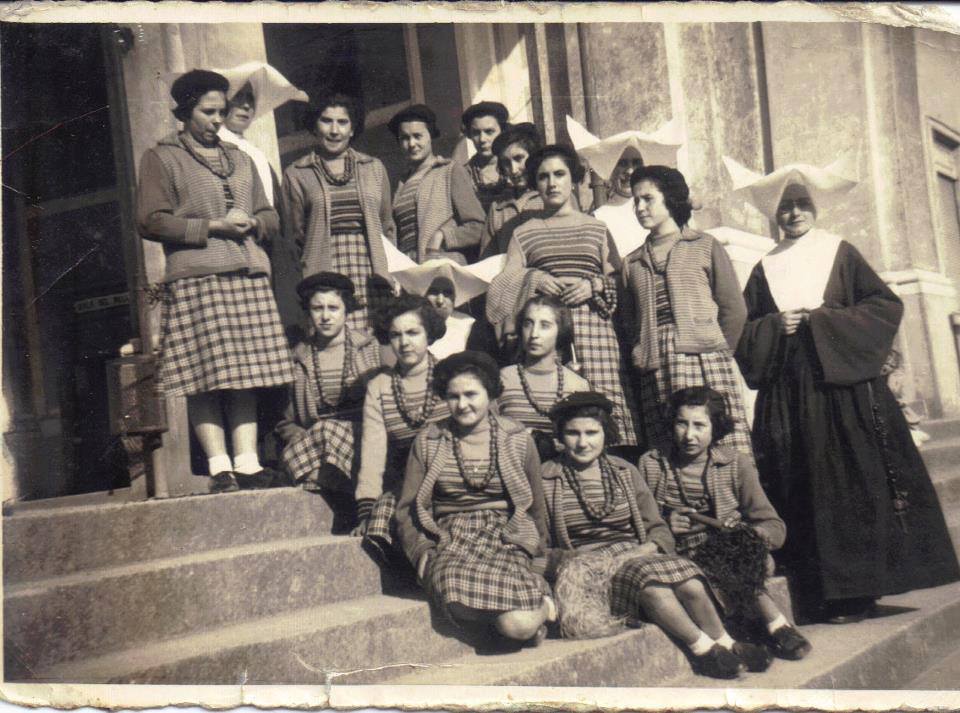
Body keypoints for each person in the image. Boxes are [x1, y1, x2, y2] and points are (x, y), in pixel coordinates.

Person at [732, 165, 960, 623]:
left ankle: (859, 590)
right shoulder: (764, 266)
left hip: (844, 392)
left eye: (802, 204)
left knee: (851, 483)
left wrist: (821, 320)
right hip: (790, 395)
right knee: (801, 484)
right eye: (785, 206)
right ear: (774, 213)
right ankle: (817, 591)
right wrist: (777, 325)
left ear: (815, 207)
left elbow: (883, 306)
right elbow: (746, 331)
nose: (794, 213)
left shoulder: (839, 251)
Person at [136, 69, 293, 493]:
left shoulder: (240, 158)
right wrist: (213, 226)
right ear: (186, 112)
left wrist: (254, 223)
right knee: (203, 377)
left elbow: (270, 214)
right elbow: (151, 220)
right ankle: (219, 466)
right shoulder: (162, 158)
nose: (217, 120)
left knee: (247, 372)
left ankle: (247, 463)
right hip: (198, 277)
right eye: (208, 112)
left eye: (222, 111)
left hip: (247, 274)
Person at [539, 392, 770, 679]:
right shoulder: (546, 478)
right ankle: (703, 650)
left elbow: (658, 529)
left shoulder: (624, 471)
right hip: (591, 571)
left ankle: (726, 643)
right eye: (573, 433)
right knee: (653, 588)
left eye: (592, 433)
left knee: (690, 582)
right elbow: (540, 547)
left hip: (636, 555)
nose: (583, 442)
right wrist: (578, 562)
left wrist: (645, 548)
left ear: (606, 433)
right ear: (560, 436)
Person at [395, 351, 557, 646]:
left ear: (490, 393)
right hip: (449, 538)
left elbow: (535, 507)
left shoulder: (517, 438)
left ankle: (539, 611)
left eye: (471, 394)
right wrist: (422, 551)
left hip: (506, 536)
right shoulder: (429, 440)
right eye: (453, 396)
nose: (462, 404)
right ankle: (517, 623)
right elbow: (407, 508)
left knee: (517, 625)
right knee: (453, 597)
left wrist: (538, 556)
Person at [487, 144, 640, 450]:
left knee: (605, 407)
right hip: (548, 333)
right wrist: (535, 278)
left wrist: (594, 285)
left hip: (596, 332)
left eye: (559, 174)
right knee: (556, 413)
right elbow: (501, 288)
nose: (552, 183)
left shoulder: (596, 228)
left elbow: (621, 281)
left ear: (574, 179)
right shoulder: (524, 232)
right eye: (543, 177)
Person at [640, 386, 811, 660]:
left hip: (738, 556)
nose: (689, 435)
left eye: (700, 425)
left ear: (715, 427)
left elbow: (774, 527)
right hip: (682, 559)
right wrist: (668, 525)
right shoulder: (652, 464)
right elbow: (644, 524)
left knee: (734, 556)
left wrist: (745, 534)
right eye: (682, 423)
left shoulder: (735, 463)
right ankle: (777, 627)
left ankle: (770, 628)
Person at [620, 165, 753, 459]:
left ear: (670, 198)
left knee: (719, 443)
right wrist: (641, 351)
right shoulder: (632, 262)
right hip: (656, 365)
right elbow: (629, 324)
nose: (640, 208)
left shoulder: (704, 245)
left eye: (648, 199)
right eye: (636, 201)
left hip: (705, 360)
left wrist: (718, 350)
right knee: (670, 446)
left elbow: (734, 309)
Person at [281, 93, 397, 332]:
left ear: (352, 128)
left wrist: (391, 272)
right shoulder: (297, 173)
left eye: (342, 122)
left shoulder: (373, 168)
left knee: (375, 337)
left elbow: (387, 226)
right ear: (315, 125)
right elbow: (294, 236)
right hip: (323, 267)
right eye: (326, 121)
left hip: (371, 268)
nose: (334, 130)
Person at [354, 294, 449, 546]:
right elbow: (373, 452)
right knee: (379, 526)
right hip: (407, 484)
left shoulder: (451, 376)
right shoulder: (379, 386)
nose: (404, 343)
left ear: (429, 334)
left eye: (413, 333)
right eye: (396, 335)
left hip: (453, 480)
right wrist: (367, 508)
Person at [277, 272, 381, 495]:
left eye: (333, 308)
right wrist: (300, 436)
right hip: (316, 445)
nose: (325, 316)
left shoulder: (370, 348)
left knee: (327, 430)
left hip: (362, 438)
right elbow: (286, 421)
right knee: (299, 447)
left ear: (346, 310)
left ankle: (332, 482)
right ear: (308, 311)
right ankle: (343, 485)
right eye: (317, 308)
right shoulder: (298, 358)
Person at [388, 104, 485, 264]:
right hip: (410, 270)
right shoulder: (400, 184)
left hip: (443, 266)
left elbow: (478, 227)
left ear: (430, 136)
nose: (411, 143)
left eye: (417, 136)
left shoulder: (449, 171)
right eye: (405, 138)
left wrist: (443, 236)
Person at [498, 295, 590, 458]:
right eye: (528, 324)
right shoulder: (502, 379)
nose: (534, 334)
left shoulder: (577, 385)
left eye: (545, 326)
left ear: (561, 331)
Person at [479, 122, 544, 259]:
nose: (513, 170)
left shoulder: (551, 197)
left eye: (519, 158)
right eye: (506, 163)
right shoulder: (498, 210)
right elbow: (487, 260)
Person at [461, 101, 511, 214]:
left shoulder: (515, 168)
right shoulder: (464, 175)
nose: (482, 139)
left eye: (489, 132)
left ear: (502, 131)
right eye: (476, 133)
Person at [424, 276, 475, 360]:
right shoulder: (413, 322)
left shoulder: (468, 324)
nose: (440, 301)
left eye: (447, 293)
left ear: (455, 297)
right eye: (434, 292)